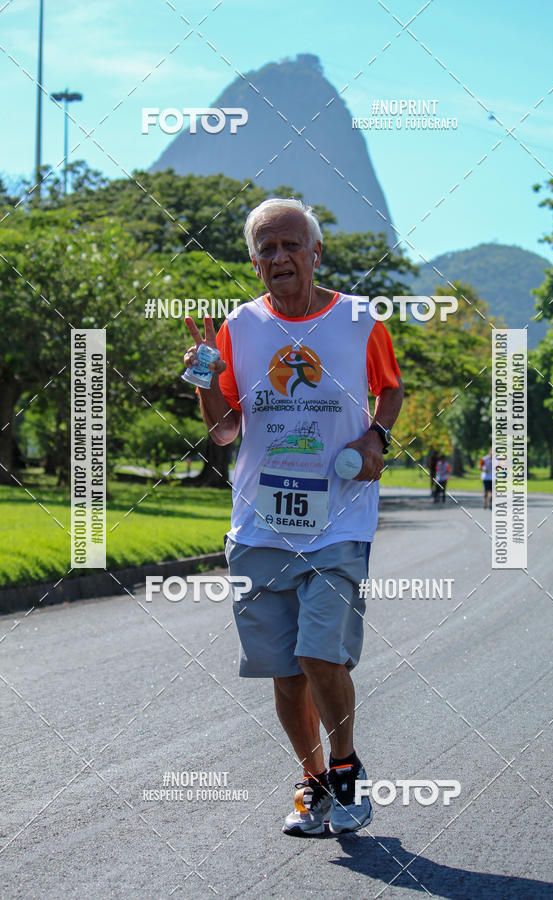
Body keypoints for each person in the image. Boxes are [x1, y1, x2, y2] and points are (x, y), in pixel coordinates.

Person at [183, 198, 404, 837]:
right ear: (254, 263)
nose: (279, 258)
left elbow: (389, 389)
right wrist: (204, 378)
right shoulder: (237, 329)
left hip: (338, 520)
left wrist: (375, 440)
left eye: (290, 245)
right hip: (259, 525)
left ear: (316, 252)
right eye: (266, 249)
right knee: (284, 674)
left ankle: (345, 771)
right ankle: (312, 786)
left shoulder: (362, 321)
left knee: (319, 655)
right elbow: (225, 431)